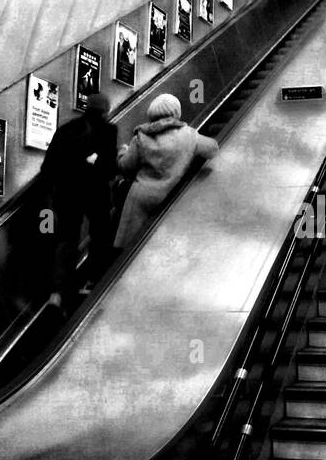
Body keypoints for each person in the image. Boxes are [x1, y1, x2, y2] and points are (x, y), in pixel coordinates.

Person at [37, 92, 118, 310]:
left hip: (67, 194)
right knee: (100, 234)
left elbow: (47, 168)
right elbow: (110, 168)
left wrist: (50, 194)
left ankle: (58, 293)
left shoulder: (65, 129)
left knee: (66, 241)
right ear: (106, 111)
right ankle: (92, 281)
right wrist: (94, 163)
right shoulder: (108, 131)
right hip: (96, 193)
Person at [113, 93, 218, 249]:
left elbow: (126, 167)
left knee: (133, 252)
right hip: (171, 196)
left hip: (142, 200)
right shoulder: (188, 135)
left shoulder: (140, 137)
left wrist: (122, 151)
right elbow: (212, 149)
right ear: (176, 112)